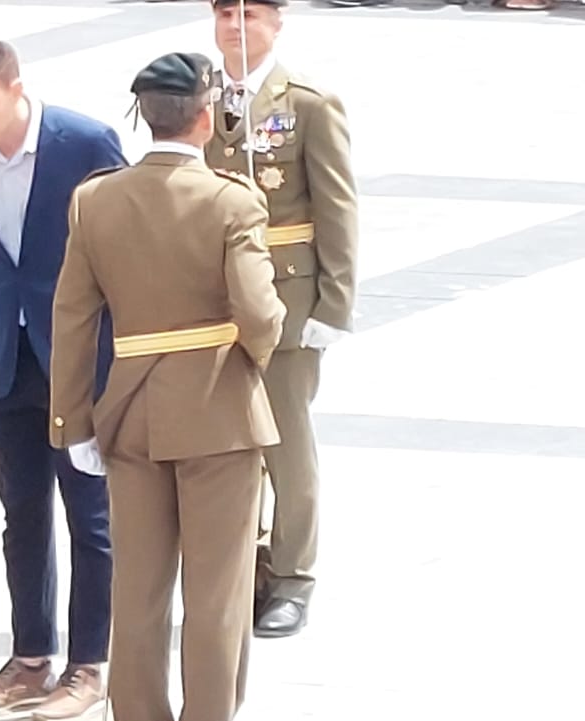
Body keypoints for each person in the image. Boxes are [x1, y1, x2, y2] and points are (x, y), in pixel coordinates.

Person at [49, 51, 285, 721]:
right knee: (217, 595)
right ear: (205, 118)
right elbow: (259, 313)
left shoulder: (94, 201)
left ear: (144, 118)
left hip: (129, 414)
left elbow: (71, 319)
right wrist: (259, 354)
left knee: (139, 593)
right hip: (218, 412)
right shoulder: (231, 201)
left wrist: (73, 422)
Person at [0, 37, 125, 720]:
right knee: (21, 515)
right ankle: (29, 657)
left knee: (91, 516)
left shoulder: (83, 143)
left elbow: (125, 239)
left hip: (78, 361)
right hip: (7, 359)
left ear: (17, 87)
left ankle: (90, 663)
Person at [206, 0, 360, 638]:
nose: (236, 27)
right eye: (225, 16)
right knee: (226, 444)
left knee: (285, 444)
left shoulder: (307, 103)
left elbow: (337, 205)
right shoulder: (197, 95)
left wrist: (335, 304)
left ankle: (293, 575)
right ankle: (247, 567)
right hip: (214, 300)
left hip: (287, 296)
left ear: (276, 24)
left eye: (251, 16)